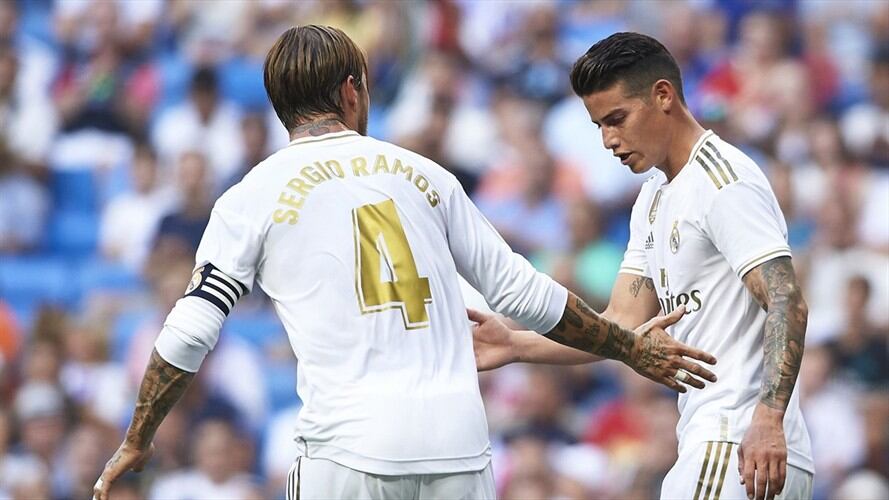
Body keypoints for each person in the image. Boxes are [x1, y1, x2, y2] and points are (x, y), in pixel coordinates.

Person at [93, 26, 717, 500]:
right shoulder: (426, 175)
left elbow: (189, 334)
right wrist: (628, 348)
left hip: (348, 453)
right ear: (351, 91)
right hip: (458, 449)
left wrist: (138, 438)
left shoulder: (249, 198)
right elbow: (525, 295)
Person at [471, 33, 814, 500]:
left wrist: (769, 420)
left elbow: (786, 299)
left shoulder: (722, 181)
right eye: (598, 126)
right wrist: (514, 344)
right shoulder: (653, 196)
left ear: (663, 95)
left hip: (736, 441)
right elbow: (620, 325)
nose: (609, 140)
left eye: (617, 119)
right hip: (718, 443)